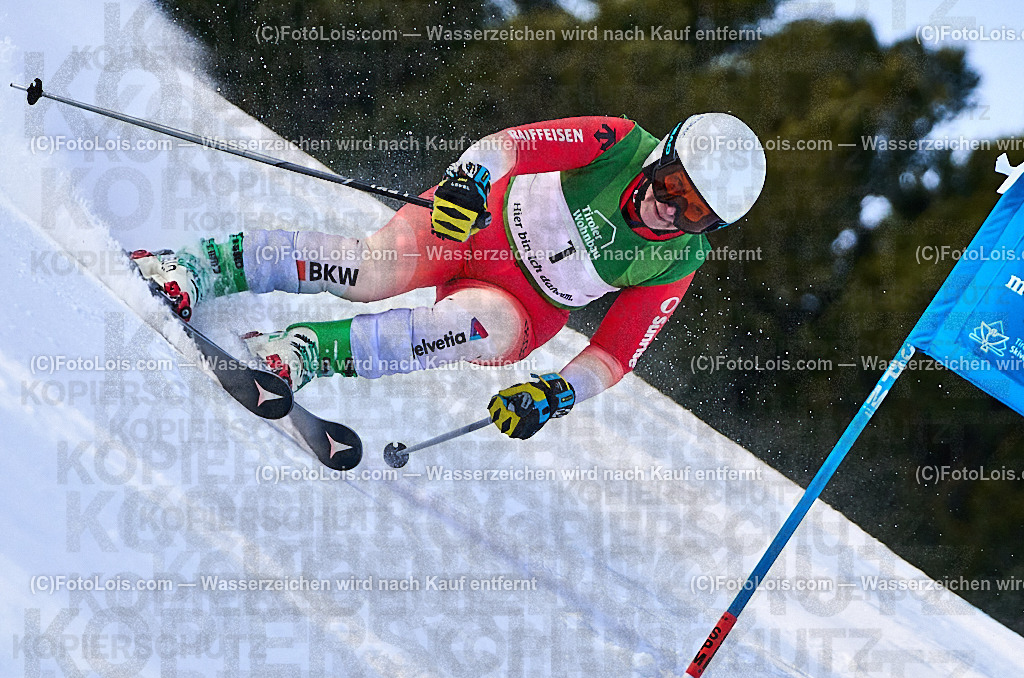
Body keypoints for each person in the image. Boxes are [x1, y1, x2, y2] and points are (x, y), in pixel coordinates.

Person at [131, 113, 766, 439]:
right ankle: (197, 268)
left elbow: (614, 355)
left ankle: (297, 353)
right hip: (479, 224)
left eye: (697, 213)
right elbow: (510, 145)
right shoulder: (619, 142)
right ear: (664, 157)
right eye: (676, 187)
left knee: (467, 328)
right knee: (367, 270)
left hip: (522, 304)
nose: (671, 211)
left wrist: (556, 394)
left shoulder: (677, 259)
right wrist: (470, 181)